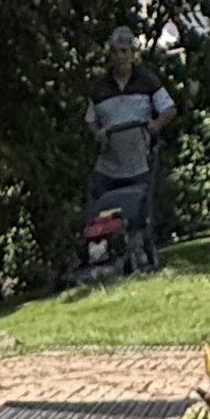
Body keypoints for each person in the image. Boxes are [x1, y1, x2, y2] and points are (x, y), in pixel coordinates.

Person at [83, 29, 173, 269]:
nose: (120, 57)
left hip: (139, 162)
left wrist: (155, 125)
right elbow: (90, 120)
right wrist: (97, 133)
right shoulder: (100, 87)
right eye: (115, 52)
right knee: (99, 213)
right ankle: (101, 255)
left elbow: (169, 108)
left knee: (140, 214)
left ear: (133, 54)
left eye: (124, 51)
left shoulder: (147, 81)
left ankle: (143, 255)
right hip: (108, 165)